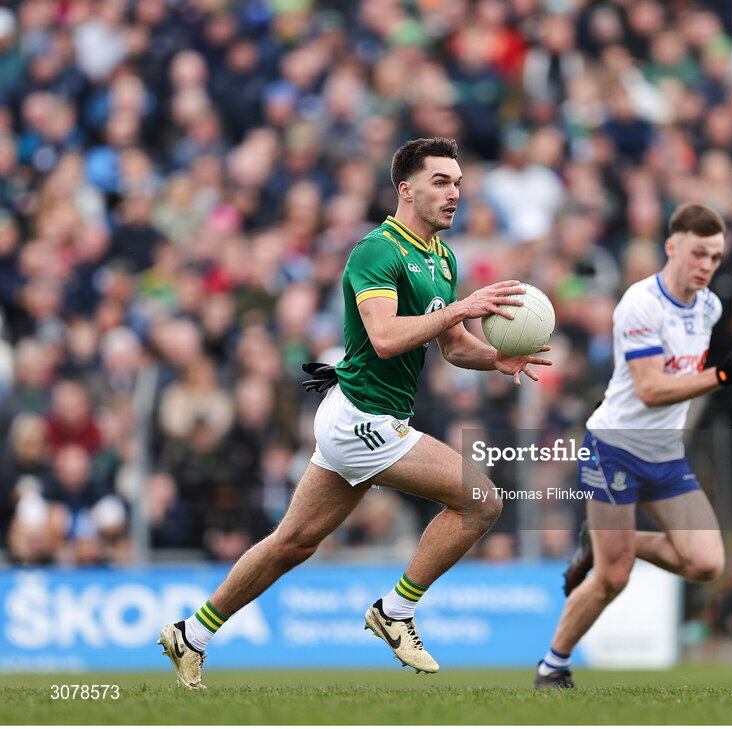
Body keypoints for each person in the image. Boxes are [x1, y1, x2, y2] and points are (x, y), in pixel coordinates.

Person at [158, 137, 552, 689]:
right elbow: (387, 338)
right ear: (406, 189)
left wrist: (496, 357)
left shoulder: (442, 258)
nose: (454, 193)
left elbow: (454, 346)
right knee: (481, 501)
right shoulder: (377, 251)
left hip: (362, 418)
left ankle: (190, 635)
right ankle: (395, 611)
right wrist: (462, 308)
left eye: (459, 182)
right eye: (441, 181)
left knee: (292, 543)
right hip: (366, 419)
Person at [534, 203, 732, 689]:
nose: (706, 266)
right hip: (615, 448)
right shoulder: (640, 303)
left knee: (706, 562)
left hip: (664, 453)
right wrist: (719, 376)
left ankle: (606, 542)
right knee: (614, 578)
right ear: (672, 247)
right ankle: (553, 667)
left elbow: (679, 384)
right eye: (699, 254)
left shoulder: (709, 306)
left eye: (715, 258)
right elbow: (651, 388)